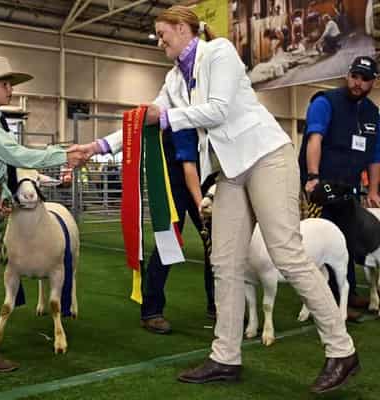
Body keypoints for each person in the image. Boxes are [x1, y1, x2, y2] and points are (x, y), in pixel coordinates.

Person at [136, 5, 358, 394]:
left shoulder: (219, 52)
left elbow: (218, 110)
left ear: (183, 28)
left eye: (162, 32)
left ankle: (342, 351)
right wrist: (97, 144)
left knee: (286, 253)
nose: (160, 40)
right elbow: (151, 115)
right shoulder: (174, 78)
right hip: (231, 171)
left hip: (267, 156)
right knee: (224, 262)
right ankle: (225, 357)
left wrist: (166, 119)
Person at [0, 56, 86, 373]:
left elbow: (3, 163)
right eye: (4, 83)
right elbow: (14, 154)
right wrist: (63, 153)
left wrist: (5, 194)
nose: (10, 89)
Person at [73, 128, 217, 331]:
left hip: (203, 177)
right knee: (168, 243)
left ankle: (217, 303)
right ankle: (152, 311)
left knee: (216, 243)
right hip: (174, 179)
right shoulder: (178, 107)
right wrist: (200, 204)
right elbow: (188, 165)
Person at [299, 56, 380, 321]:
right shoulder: (326, 102)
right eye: (355, 76)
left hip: (349, 188)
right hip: (322, 185)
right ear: (348, 75)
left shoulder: (371, 112)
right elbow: (315, 138)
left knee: (347, 238)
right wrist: (312, 177)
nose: (358, 83)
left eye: (365, 79)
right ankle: (326, 300)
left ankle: (347, 292)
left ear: (373, 82)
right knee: (321, 242)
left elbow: (375, 156)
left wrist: (374, 191)